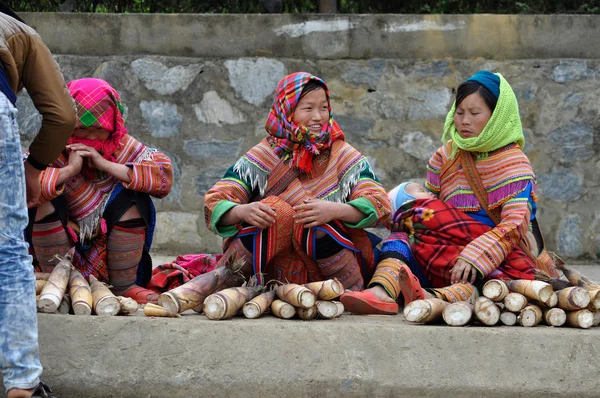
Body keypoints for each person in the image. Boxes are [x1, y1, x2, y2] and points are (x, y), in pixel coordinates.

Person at [342, 71, 558, 315]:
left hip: (493, 258)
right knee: (403, 237)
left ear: (497, 117)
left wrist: (475, 255)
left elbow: (516, 223)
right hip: (441, 251)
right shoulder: (444, 158)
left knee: (488, 282)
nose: (464, 121)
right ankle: (380, 293)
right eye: (459, 112)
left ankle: (430, 296)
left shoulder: (514, 164)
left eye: (475, 113)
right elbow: (431, 212)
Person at [204, 72, 391, 289]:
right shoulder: (265, 155)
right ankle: (226, 286)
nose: (318, 117)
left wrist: (335, 210)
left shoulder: (342, 155)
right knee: (275, 211)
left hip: (327, 272)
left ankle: (349, 292)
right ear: (288, 111)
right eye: (308, 108)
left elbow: (378, 203)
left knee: (315, 222)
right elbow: (215, 202)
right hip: (270, 271)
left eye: (323, 107)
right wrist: (242, 212)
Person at [26, 78, 173, 304]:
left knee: (134, 197)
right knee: (42, 199)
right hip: (61, 250)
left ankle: (125, 286)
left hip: (109, 258)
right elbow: (21, 185)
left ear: (113, 125)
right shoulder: (50, 147)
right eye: (82, 129)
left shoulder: (124, 147)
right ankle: (55, 282)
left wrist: (105, 165)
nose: (91, 138)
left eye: (99, 130)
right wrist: (69, 170)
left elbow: (163, 177)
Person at [0, 3, 76, 397]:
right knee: (8, 250)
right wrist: (35, 168)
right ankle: (21, 385)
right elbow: (62, 115)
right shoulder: (15, 28)